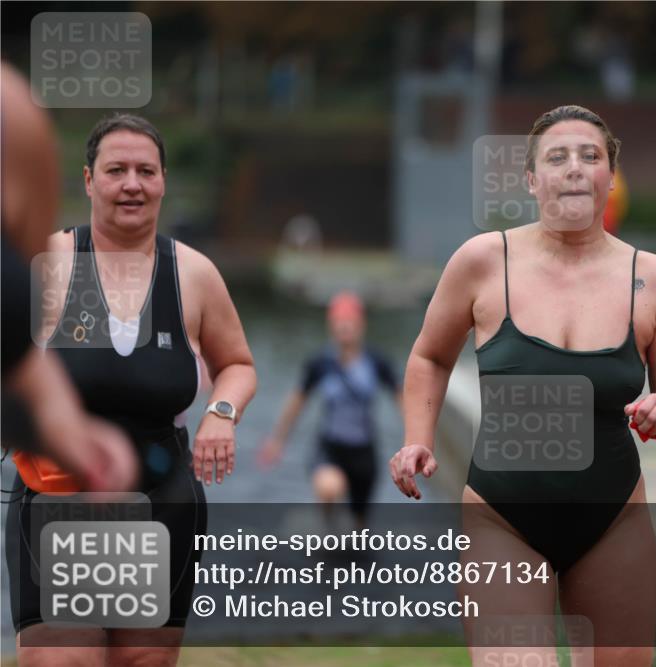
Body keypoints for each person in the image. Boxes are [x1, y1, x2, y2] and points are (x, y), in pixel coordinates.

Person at [389, 105, 656, 666]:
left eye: (591, 156)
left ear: (610, 177)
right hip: (502, 518)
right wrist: (418, 438)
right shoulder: (484, 261)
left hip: (614, 520)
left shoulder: (654, 278)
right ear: (531, 179)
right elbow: (430, 357)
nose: (575, 168)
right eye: (557, 157)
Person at [5, 112, 257, 667]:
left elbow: (237, 364)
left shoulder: (192, 273)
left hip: (161, 498)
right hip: (60, 494)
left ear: (163, 179)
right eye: (116, 170)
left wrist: (221, 411)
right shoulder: (47, 265)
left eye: (146, 170)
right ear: (89, 181)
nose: (132, 185)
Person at [1, 62, 139, 492]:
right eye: (115, 171)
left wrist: (58, 421)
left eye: (145, 172)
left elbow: (10, 345)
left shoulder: (12, 117)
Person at [259, 291, 401, 526]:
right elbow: (297, 402)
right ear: (331, 326)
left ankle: (354, 545)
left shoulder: (376, 362)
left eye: (350, 323)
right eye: (339, 323)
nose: (345, 328)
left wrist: (415, 440)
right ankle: (328, 525)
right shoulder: (320, 363)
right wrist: (277, 440)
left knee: (360, 523)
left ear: (361, 325)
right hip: (330, 447)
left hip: (364, 451)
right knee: (328, 487)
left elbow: (401, 397)